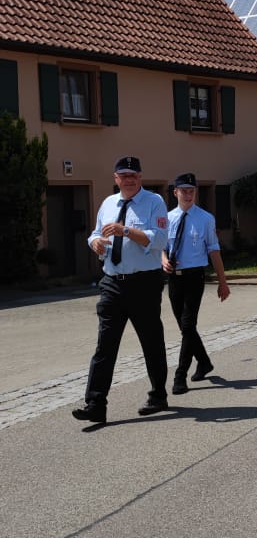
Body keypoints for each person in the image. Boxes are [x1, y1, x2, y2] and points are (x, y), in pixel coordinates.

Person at [72, 155, 170, 425]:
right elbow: (94, 233)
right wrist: (95, 243)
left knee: (151, 341)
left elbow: (159, 239)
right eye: (123, 175)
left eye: (133, 175)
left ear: (140, 177)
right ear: (116, 178)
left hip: (144, 283)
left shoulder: (154, 202)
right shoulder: (107, 203)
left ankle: (158, 394)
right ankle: (95, 404)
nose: (128, 179)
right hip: (112, 282)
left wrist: (125, 231)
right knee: (105, 346)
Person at [161, 172, 230, 394]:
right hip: (174, 278)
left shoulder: (205, 219)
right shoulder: (166, 218)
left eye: (192, 191)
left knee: (188, 325)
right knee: (185, 327)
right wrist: (163, 260)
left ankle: (180, 375)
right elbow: (160, 246)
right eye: (184, 191)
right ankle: (204, 361)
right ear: (176, 193)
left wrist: (223, 282)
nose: (188, 195)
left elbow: (214, 251)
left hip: (194, 277)